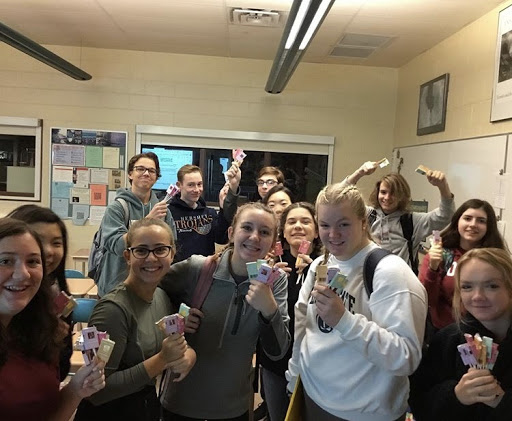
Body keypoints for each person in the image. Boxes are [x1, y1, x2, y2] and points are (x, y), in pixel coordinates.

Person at [286, 183, 427, 421]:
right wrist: (294, 376)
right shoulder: (319, 265)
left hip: (363, 414)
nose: (333, 234)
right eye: (325, 225)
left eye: (343, 224)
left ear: (363, 222)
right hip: (311, 397)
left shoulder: (390, 273)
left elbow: (406, 357)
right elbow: (303, 327)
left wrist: (344, 321)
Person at [159, 202, 291, 420]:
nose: (255, 237)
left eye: (264, 232)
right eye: (247, 228)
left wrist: (269, 309)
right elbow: (152, 291)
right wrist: (178, 314)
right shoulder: (198, 268)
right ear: (231, 233)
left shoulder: (275, 283)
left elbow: (277, 350)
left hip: (233, 409)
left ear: (273, 243)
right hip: (181, 403)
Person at [75, 218, 196, 420]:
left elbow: (173, 343)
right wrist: (163, 359)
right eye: (141, 250)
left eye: (160, 249)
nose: (151, 258)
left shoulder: (161, 297)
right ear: (127, 256)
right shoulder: (113, 310)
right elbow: (96, 392)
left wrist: (188, 356)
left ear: (172, 254)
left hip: (143, 406)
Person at [0, 218, 105, 420]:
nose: (22, 274)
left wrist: (76, 389)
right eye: (5, 261)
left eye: (32, 261)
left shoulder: (37, 332)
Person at [409, 248, 512, 420]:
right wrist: (455, 395)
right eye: (467, 287)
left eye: (492, 286)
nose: (477, 296)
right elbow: (420, 404)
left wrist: (503, 401)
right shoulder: (447, 340)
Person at [260, 202, 321, 421]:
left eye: (305, 221)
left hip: (316, 363)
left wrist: (316, 272)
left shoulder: (327, 264)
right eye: (291, 222)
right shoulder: (271, 265)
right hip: (275, 361)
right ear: (283, 232)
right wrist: (266, 279)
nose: (298, 226)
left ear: (316, 231)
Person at [341, 160, 455, 272]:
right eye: (383, 192)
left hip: (400, 285)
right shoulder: (368, 215)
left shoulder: (412, 221)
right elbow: (340, 196)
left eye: (393, 193)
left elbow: (445, 215)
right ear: (377, 193)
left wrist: (443, 186)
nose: (387, 197)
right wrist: (359, 173)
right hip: (367, 282)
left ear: (402, 195)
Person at [7, 204, 74, 381]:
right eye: (39, 241)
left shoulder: (59, 298)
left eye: (56, 243)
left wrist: (56, 345)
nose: (49, 251)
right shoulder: (11, 298)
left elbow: (60, 371)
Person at [419, 199, 508, 332]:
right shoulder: (440, 255)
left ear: (489, 226)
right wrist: (433, 268)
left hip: (486, 332)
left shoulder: (497, 260)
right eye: (467, 218)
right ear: (457, 222)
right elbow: (427, 300)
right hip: (444, 333)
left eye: (481, 221)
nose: (473, 224)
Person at [96, 152, 177, 296]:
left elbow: (171, 246)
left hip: (150, 288)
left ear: (156, 178)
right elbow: (116, 245)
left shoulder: (163, 210)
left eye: (151, 171)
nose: (146, 173)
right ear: (130, 174)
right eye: (140, 169)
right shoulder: (117, 208)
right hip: (116, 289)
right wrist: (147, 221)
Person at [168, 163, 241, 263]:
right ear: (179, 185)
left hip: (205, 271)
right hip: (177, 270)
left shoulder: (209, 213)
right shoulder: (169, 213)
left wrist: (223, 208)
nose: (197, 190)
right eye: (191, 185)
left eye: (199, 184)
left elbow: (222, 239)